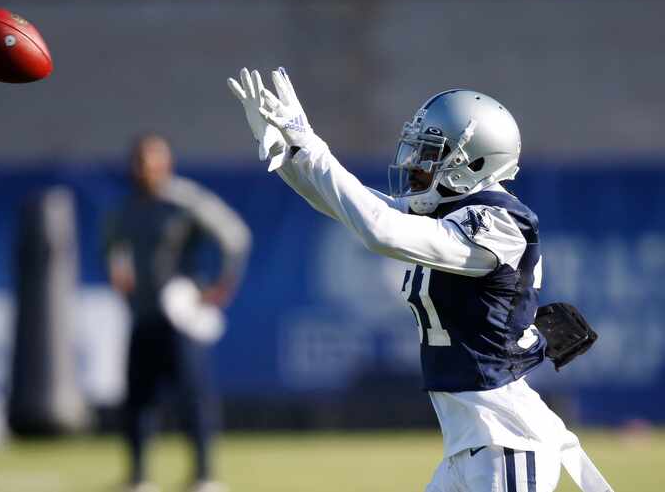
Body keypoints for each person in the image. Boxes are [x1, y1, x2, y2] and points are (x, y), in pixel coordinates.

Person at [228, 68, 614, 492]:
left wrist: (312, 144)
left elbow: (380, 230)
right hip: (470, 445)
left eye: (431, 152)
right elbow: (346, 204)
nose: (414, 162)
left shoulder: (500, 221)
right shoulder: (448, 211)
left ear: (474, 162)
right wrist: (289, 151)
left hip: (507, 442)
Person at [105, 134, 251, 492]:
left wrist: (222, 287)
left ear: (165, 163)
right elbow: (111, 248)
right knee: (138, 399)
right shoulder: (126, 208)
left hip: (182, 315)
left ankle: (204, 476)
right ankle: (139, 478)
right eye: (139, 161)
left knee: (194, 398)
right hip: (143, 314)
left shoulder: (183, 201)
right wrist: (117, 273)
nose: (145, 169)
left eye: (151, 161)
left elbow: (234, 236)